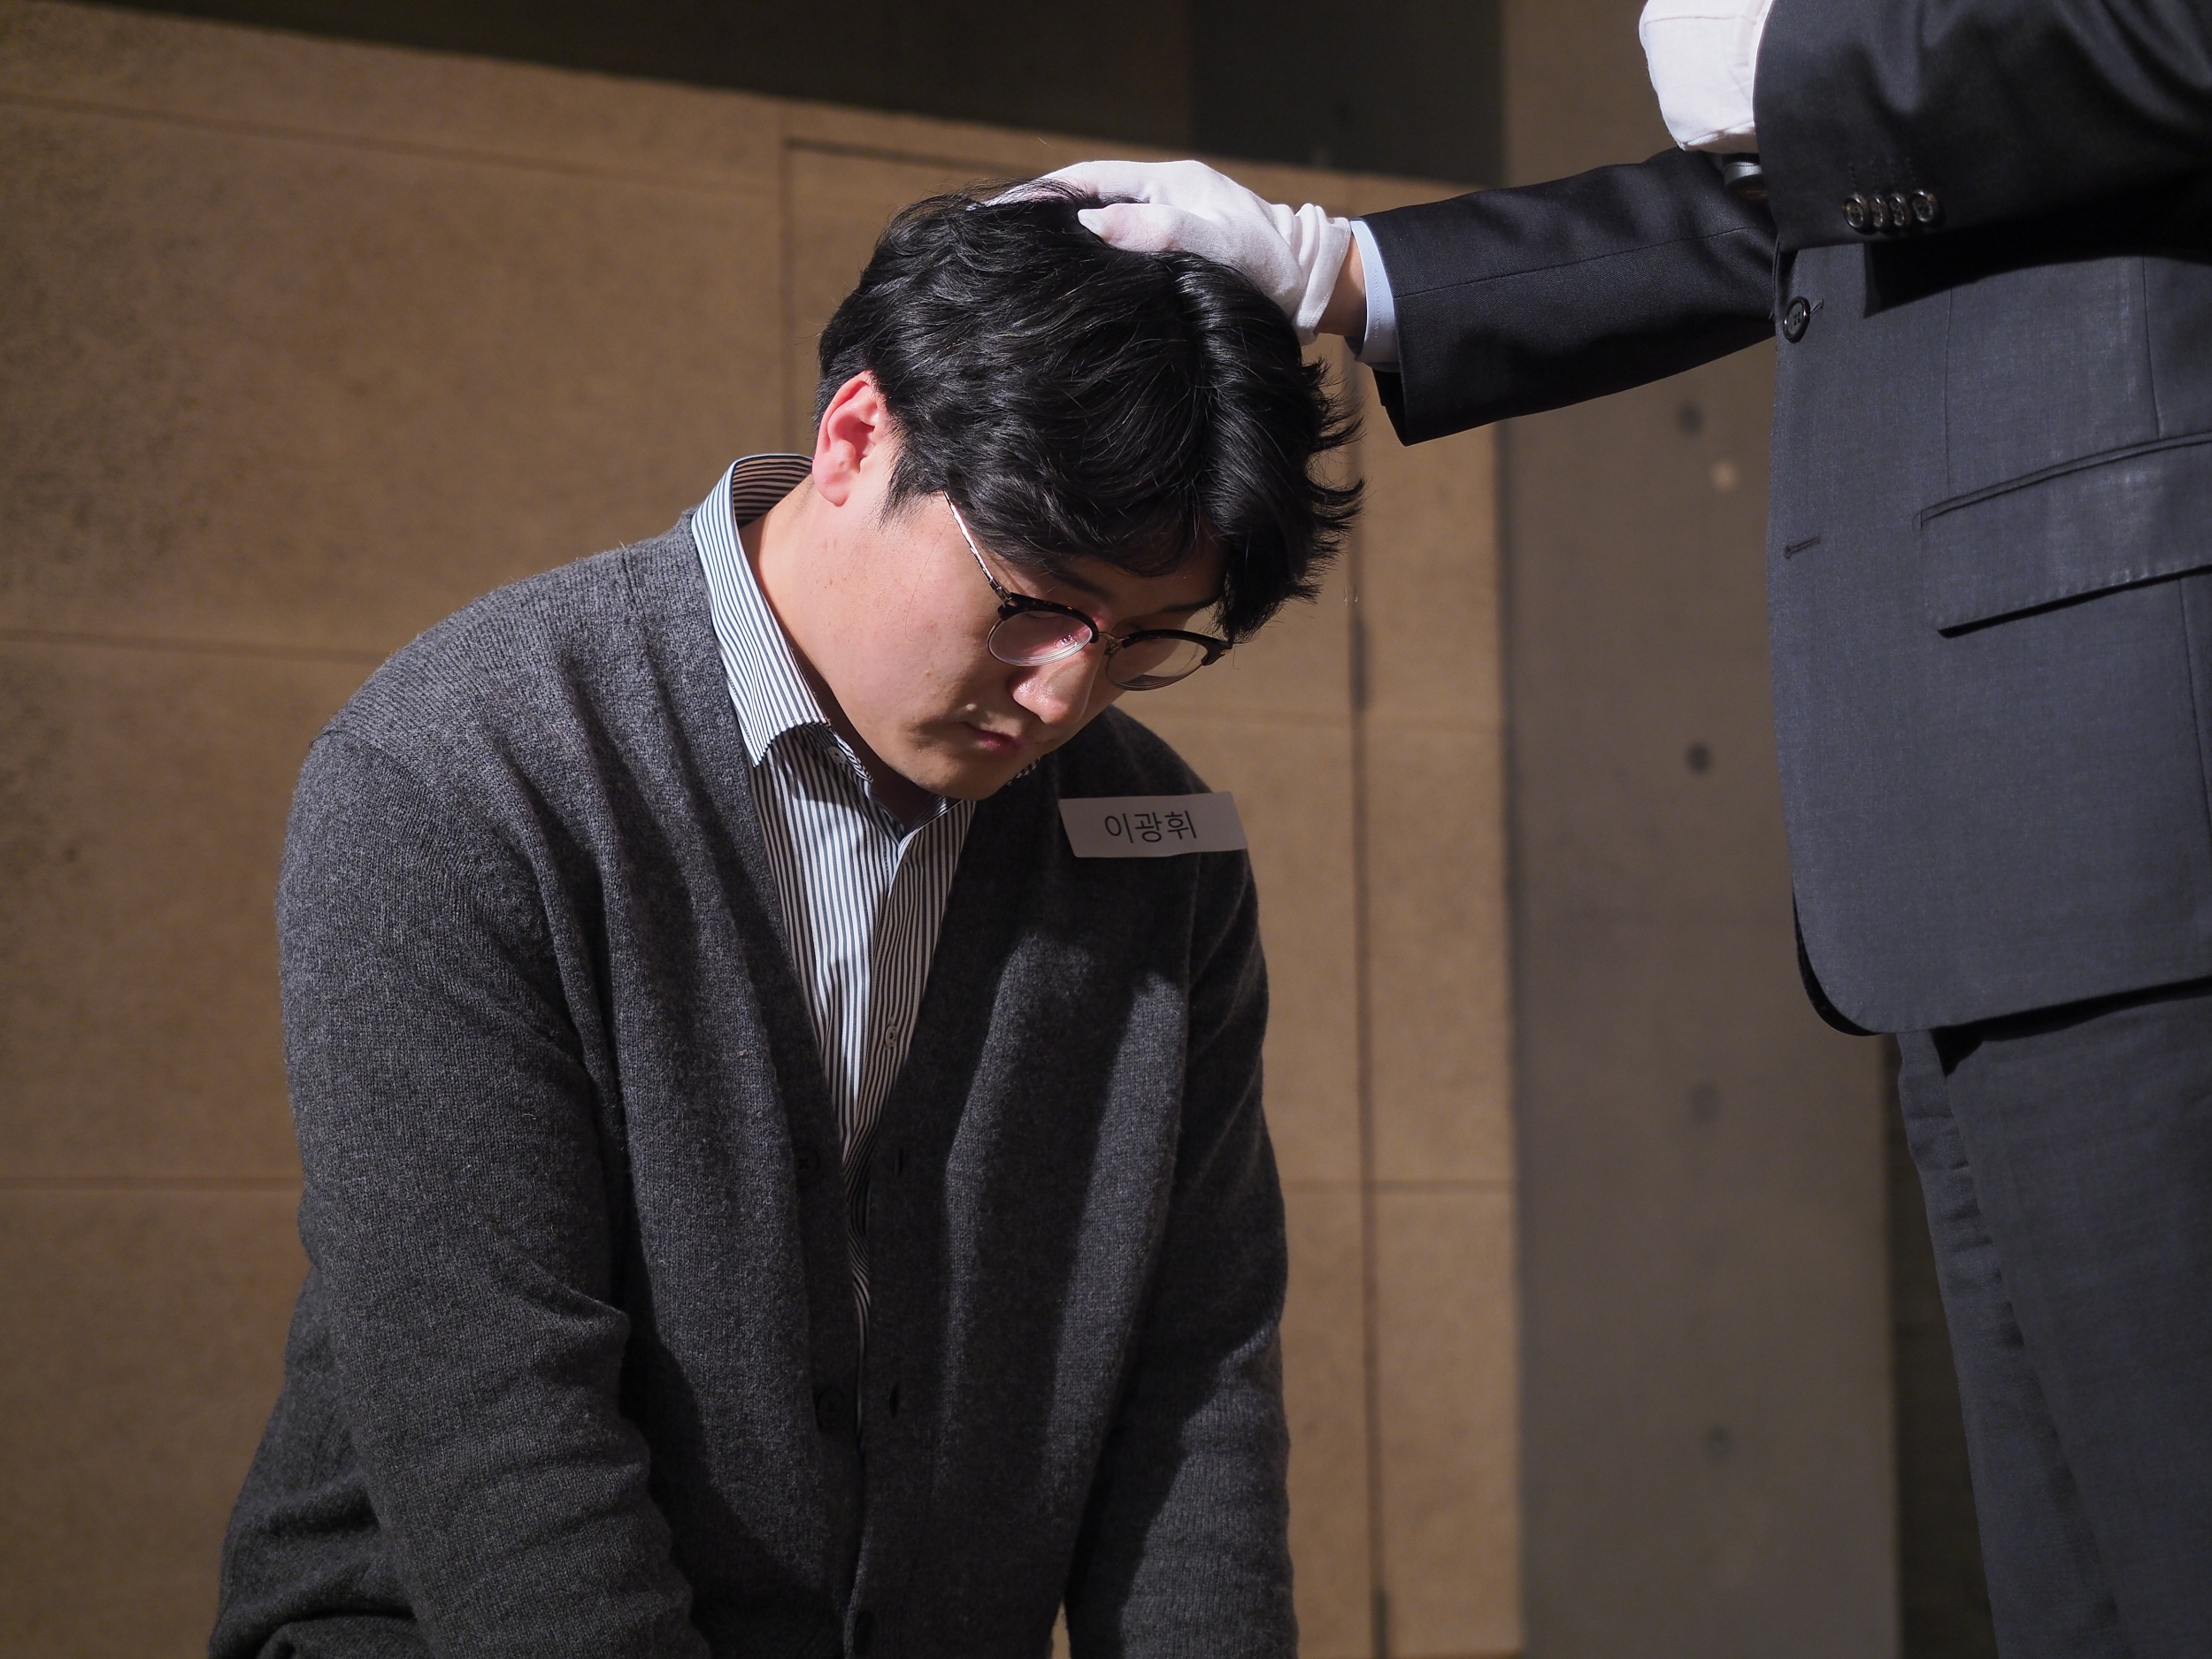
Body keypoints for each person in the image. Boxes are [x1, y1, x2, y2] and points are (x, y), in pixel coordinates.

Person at [1045, 2, 2212, 1654]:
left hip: (2140, 769)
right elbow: (1841, 193)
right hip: (1996, 808)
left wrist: (1806, 56)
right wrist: (1338, 271)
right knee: (2091, 1586)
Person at [210, 186, 1357, 1659]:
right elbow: (492, 1410)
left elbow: (1195, 1374)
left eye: (1145, 641)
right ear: (857, 437)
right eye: (1036, 602)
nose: (1069, 693)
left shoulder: (1158, 840)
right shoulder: (465, 769)